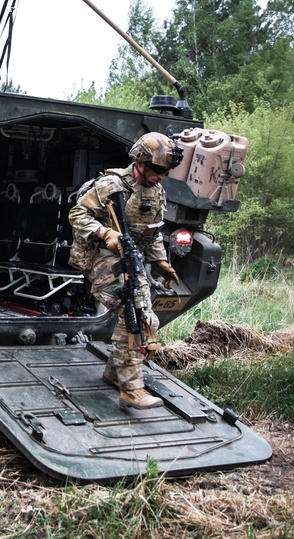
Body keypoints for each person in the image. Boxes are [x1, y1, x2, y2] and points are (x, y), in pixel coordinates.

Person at [68, 132, 182, 410]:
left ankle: (114, 372)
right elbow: (76, 214)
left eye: (166, 171)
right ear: (140, 162)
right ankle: (131, 389)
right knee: (136, 311)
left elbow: (152, 232)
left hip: (131, 256)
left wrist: (160, 261)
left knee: (144, 316)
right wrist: (104, 231)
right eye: (157, 169)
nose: (161, 176)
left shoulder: (156, 191)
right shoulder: (112, 185)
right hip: (100, 254)